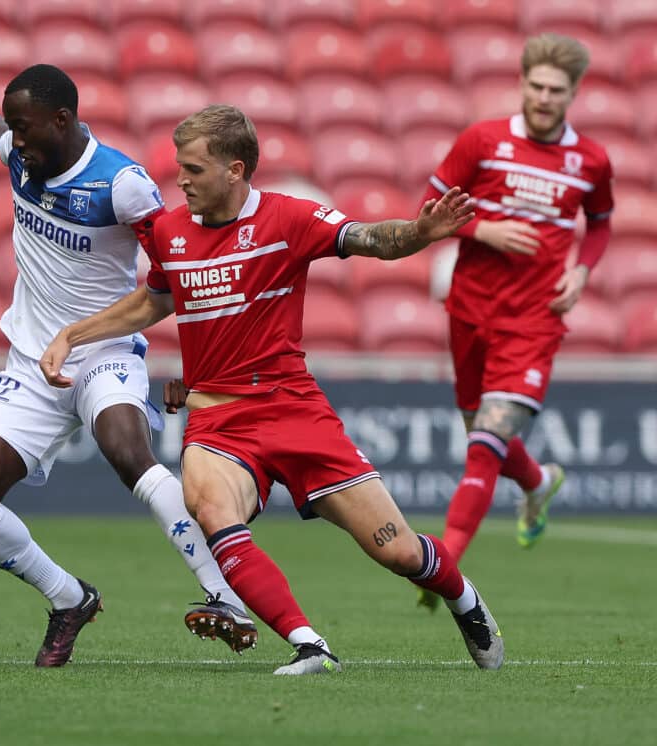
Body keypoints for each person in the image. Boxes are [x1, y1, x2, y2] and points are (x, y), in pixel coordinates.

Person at [40, 104, 505, 674]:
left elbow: (369, 239)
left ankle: (465, 600)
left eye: (193, 169)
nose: (180, 180)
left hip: (293, 411)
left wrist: (419, 233)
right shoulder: (167, 231)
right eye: (179, 168)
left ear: (235, 171)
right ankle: (311, 645)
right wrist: (73, 334)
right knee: (209, 506)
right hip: (216, 421)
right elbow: (155, 300)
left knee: (399, 550)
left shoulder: (290, 219)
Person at [0, 65, 256, 667]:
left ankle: (224, 593)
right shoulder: (21, 149)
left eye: (25, 126)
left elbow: (173, 271)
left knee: (128, 451)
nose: (15, 138)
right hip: (32, 360)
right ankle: (69, 599)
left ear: (61, 121)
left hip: (104, 353)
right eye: (13, 126)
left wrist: (197, 361)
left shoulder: (121, 185)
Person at [418, 33, 614, 608]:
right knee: (481, 430)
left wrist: (580, 273)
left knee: (484, 445)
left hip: (535, 319)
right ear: (523, 84)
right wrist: (481, 229)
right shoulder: (481, 141)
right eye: (536, 86)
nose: (545, 97)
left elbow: (599, 223)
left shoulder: (592, 160)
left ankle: (444, 566)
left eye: (556, 89)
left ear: (573, 94)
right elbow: (427, 214)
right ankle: (538, 481)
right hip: (471, 309)